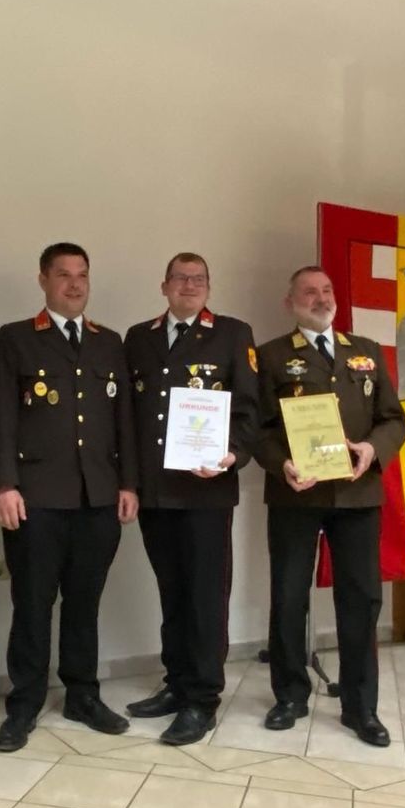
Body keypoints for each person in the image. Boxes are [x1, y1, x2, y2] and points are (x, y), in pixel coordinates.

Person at [0, 243, 139, 752]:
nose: (74, 285)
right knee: (31, 604)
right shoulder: (15, 339)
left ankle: (82, 694)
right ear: (43, 280)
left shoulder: (108, 342)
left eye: (81, 276)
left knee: (85, 603)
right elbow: (2, 417)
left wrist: (129, 483)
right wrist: (4, 484)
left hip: (97, 496)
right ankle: (25, 703)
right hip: (36, 498)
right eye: (63, 276)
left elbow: (125, 423)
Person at [254, 266, 405, 746]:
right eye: (309, 292)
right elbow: (257, 429)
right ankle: (290, 695)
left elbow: (393, 420)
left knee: (360, 600)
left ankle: (361, 707)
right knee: (288, 596)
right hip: (296, 493)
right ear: (290, 302)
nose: (320, 299)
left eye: (326, 290)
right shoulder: (271, 356)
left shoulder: (367, 352)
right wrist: (282, 466)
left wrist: (372, 450)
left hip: (358, 494)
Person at [122, 253, 258, 745]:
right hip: (157, 493)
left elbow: (248, 409)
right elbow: (132, 417)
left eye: (199, 278)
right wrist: (131, 484)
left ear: (209, 286)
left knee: (205, 597)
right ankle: (176, 683)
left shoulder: (232, 333)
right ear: (164, 285)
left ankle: (202, 698)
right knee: (173, 594)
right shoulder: (138, 338)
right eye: (180, 278)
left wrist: (232, 454)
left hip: (206, 489)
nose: (190, 285)